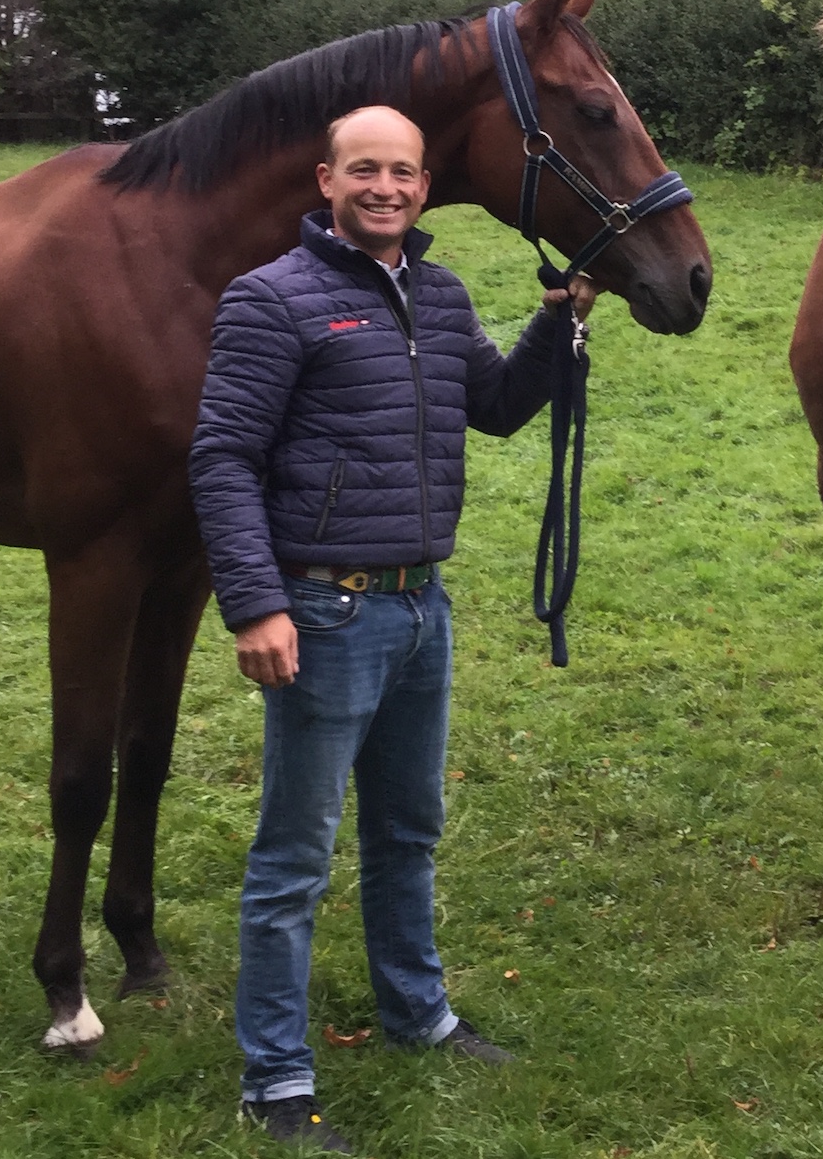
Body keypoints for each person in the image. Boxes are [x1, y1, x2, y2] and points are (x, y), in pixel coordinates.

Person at [189, 105, 590, 1151]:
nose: (385, 187)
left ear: (423, 186)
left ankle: (418, 1015)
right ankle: (275, 1076)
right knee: (294, 857)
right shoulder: (272, 300)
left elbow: (496, 406)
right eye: (363, 169)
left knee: (408, 832)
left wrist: (558, 326)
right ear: (324, 179)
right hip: (323, 610)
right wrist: (256, 603)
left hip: (421, 607)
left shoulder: (442, 293)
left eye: (402, 172)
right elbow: (222, 458)